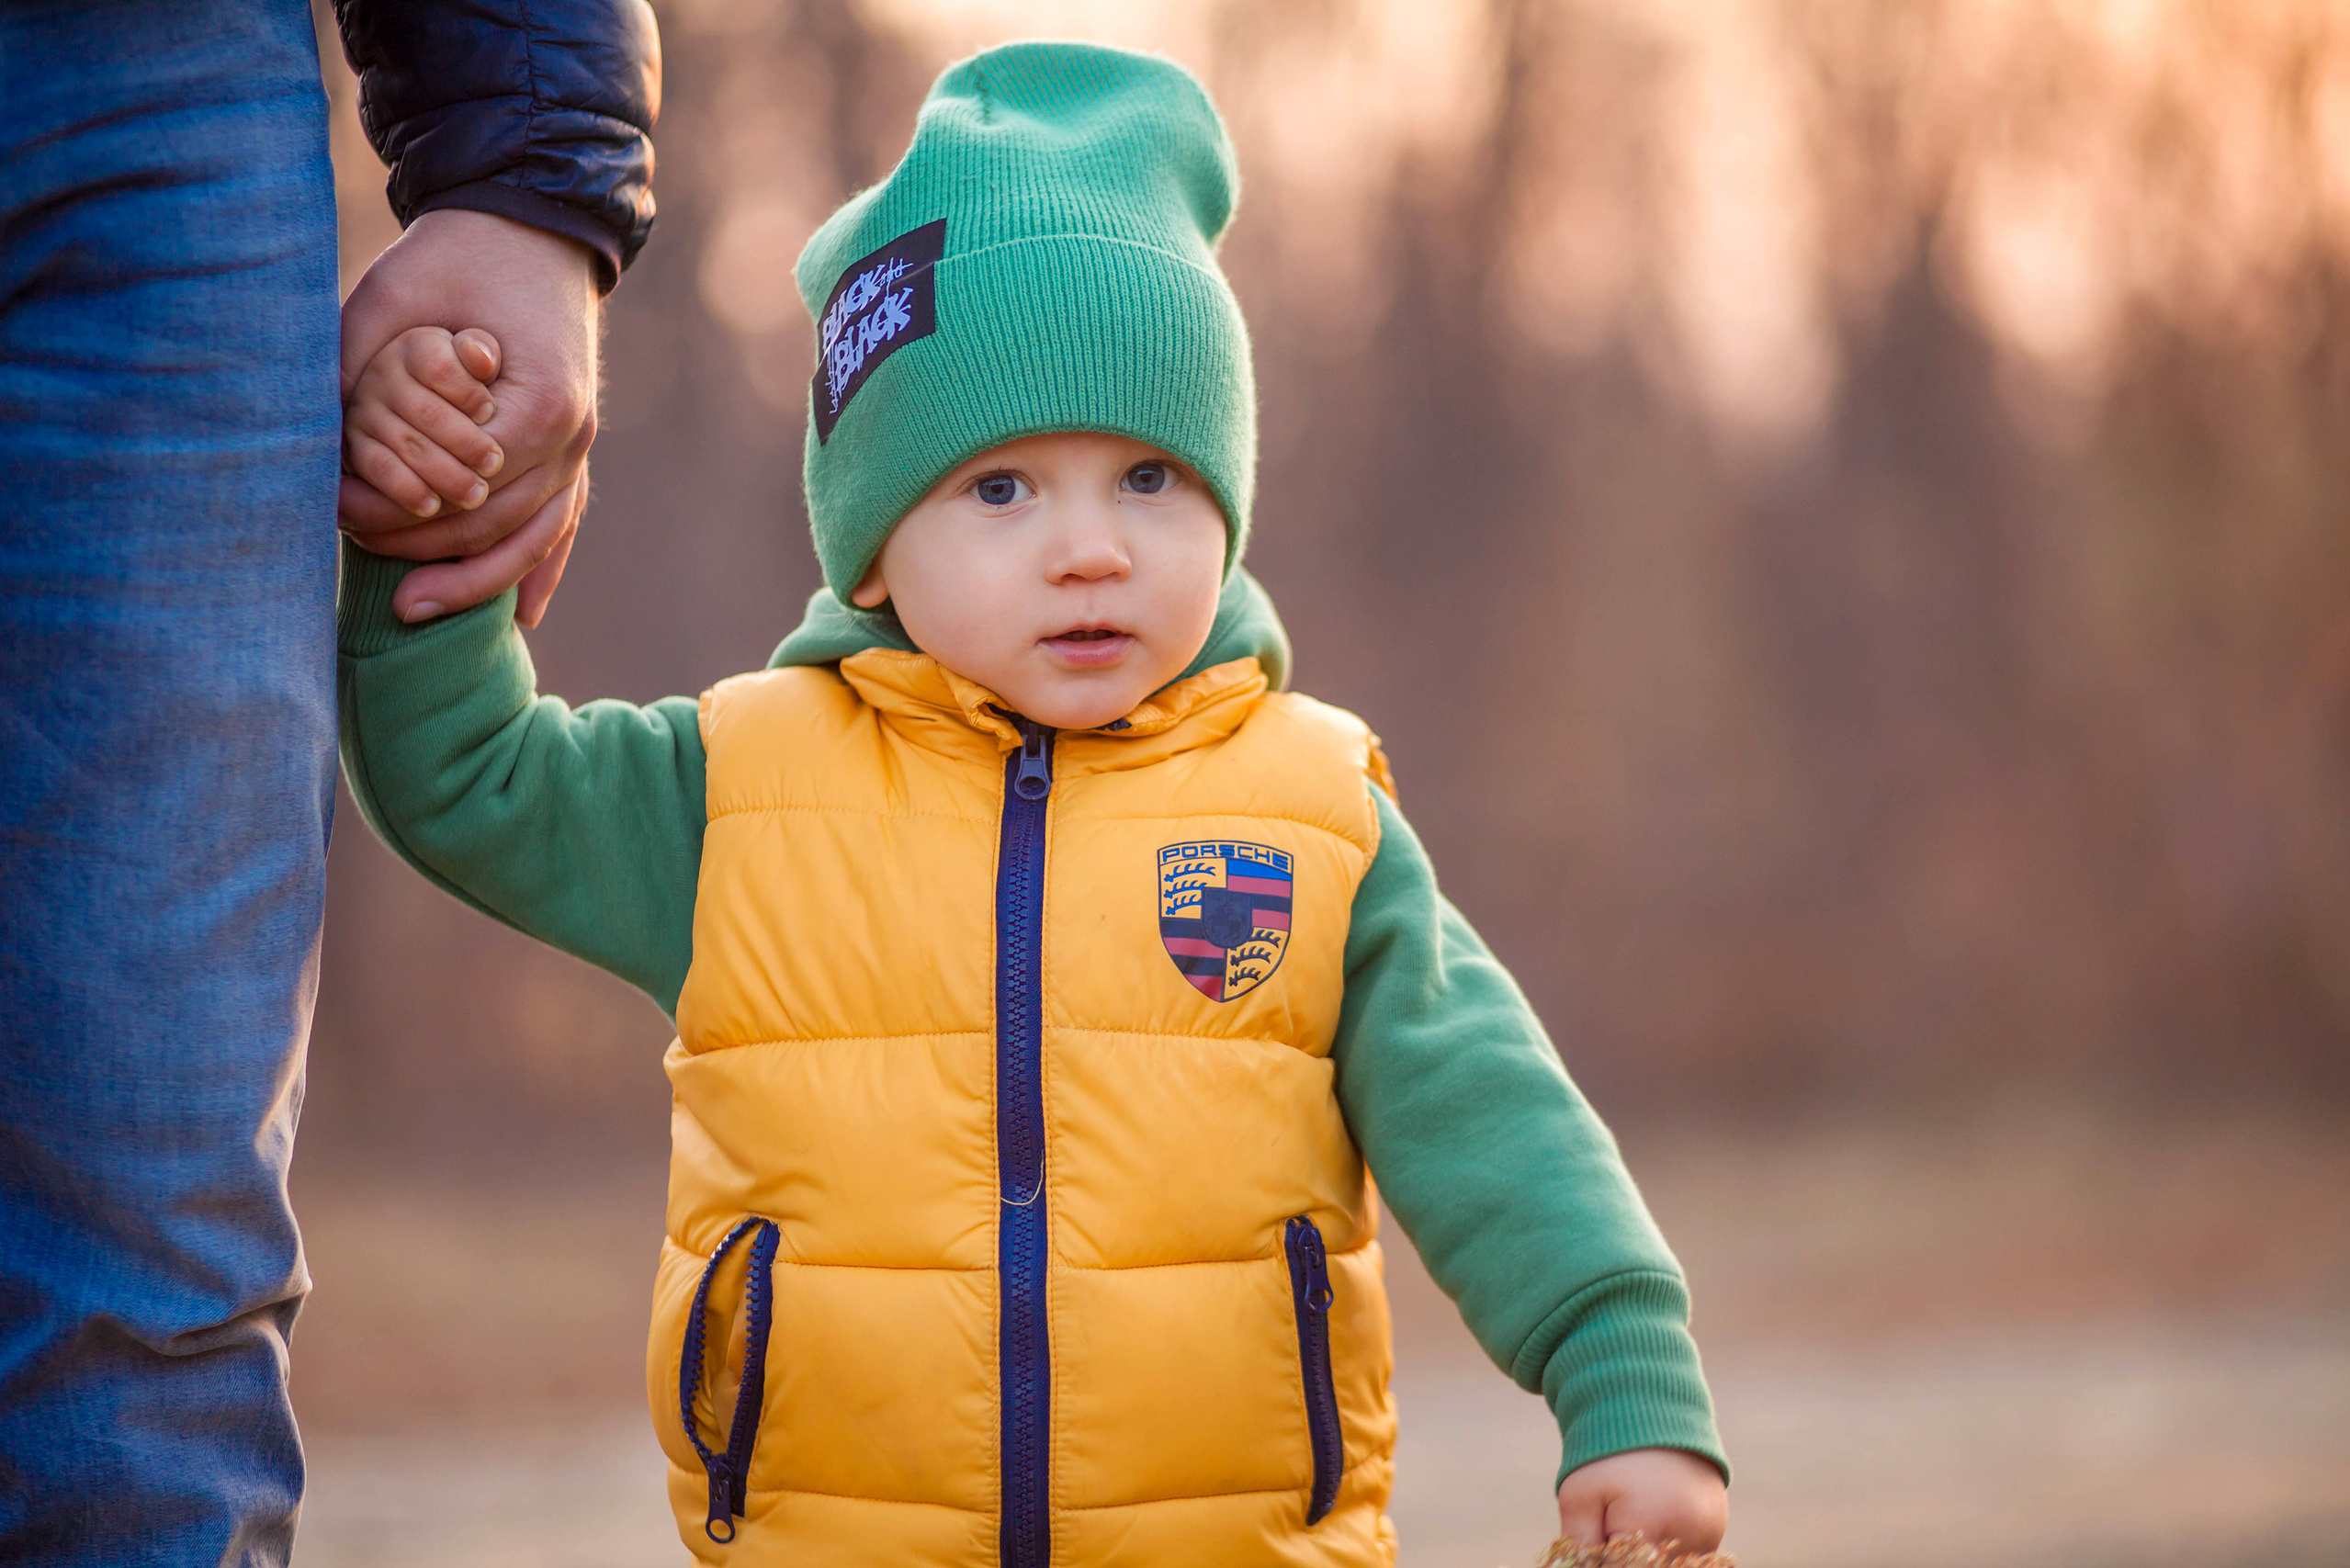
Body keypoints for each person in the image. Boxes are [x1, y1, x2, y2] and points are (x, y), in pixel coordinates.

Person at [333, 41, 1729, 1565]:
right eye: (1001, 490)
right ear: (872, 547)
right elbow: (466, 779)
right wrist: (437, 509)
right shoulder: (739, 797)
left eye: (1150, 479)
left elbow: (1496, 1119)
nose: (1089, 549)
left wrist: (1627, 1386)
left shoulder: (1310, 814)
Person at [0, 1, 655, 1561]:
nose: (1088, 554)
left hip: (151, 104)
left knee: (150, 1291)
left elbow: (468, 777)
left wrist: (531, 177)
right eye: (1001, 490)